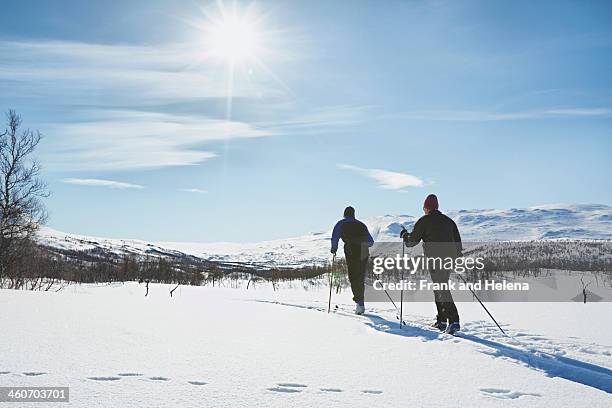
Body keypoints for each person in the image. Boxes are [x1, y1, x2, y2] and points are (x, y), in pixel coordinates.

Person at [400, 194, 462, 334]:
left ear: (427, 208)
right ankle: (441, 320)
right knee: (439, 287)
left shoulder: (424, 221)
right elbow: (458, 242)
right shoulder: (449, 221)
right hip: (449, 259)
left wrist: (405, 235)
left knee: (441, 288)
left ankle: (454, 320)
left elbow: (411, 242)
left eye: (424, 208)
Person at [331, 206, 374, 315]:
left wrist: (334, 248)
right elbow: (370, 241)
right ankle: (360, 303)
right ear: (354, 214)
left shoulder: (341, 223)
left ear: (345, 214)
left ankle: (360, 304)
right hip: (363, 252)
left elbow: (335, 236)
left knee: (354, 277)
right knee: (360, 277)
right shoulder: (361, 224)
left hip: (351, 252)